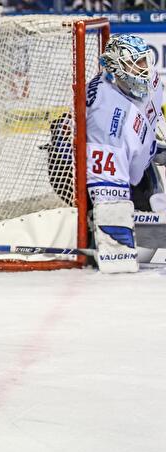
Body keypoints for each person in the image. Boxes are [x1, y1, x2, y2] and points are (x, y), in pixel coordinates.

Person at [83, 34, 165, 273]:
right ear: (114, 68)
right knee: (144, 247)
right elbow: (109, 195)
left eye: (144, 61)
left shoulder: (147, 79)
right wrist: (118, 248)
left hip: (130, 160)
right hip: (93, 173)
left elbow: (152, 116)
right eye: (134, 64)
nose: (144, 69)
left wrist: (156, 148)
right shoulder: (108, 121)